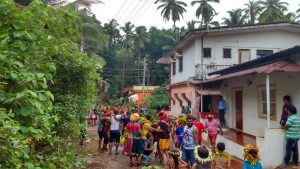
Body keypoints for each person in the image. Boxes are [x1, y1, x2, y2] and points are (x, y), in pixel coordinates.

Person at [277, 105, 300, 169]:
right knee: (295, 150)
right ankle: (295, 163)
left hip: (290, 137)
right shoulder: (298, 117)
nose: (287, 112)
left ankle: (285, 163)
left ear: (290, 111)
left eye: (288, 110)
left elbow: (287, 126)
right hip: (296, 137)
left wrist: (281, 127)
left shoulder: (291, 118)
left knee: (288, 150)